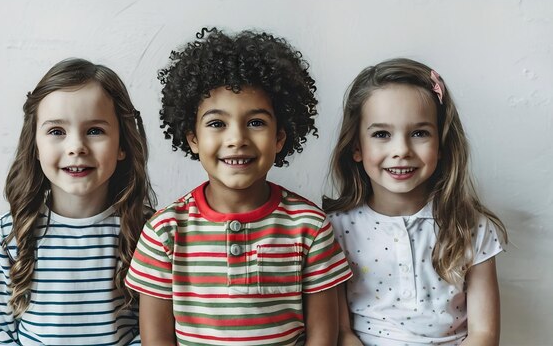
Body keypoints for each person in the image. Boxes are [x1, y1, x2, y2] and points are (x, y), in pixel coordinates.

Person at [125, 27, 352, 345]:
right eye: (217, 123)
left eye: (256, 122)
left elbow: (322, 336)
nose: (237, 140)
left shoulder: (310, 227)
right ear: (193, 138)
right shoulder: (164, 231)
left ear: (279, 138)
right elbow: (156, 339)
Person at [323, 58, 509, 345]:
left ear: (442, 144)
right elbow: (341, 332)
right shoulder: (331, 230)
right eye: (382, 134)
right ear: (356, 147)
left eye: (419, 133)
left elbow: (484, 333)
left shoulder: (471, 226)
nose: (401, 150)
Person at [0, 58, 156, 345]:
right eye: (57, 132)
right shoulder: (9, 234)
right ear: (35, 146)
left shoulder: (147, 231)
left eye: (95, 130)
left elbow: (150, 332)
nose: (76, 147)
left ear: (122, 145)